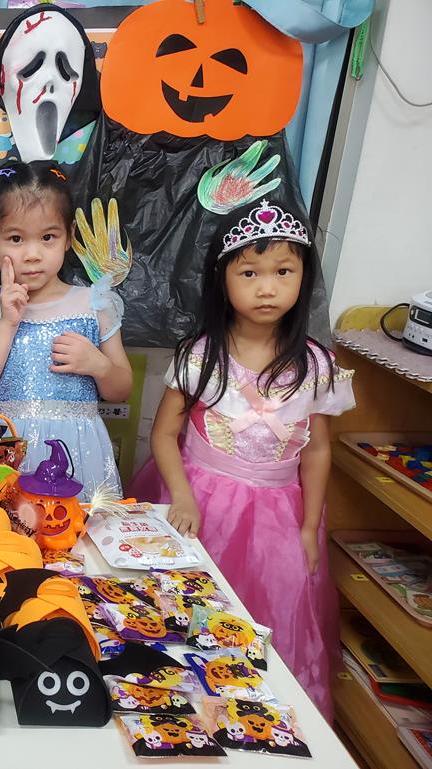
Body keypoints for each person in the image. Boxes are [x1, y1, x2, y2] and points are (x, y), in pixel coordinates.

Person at [132, 198, 355, 720]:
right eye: (250, 273)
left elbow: (318, 449)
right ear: (222, 279)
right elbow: (164, 434)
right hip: (201, 505)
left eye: (283, 272)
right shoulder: (199, 355)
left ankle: (255, 716)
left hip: (279, 517)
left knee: (272, 612)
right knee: (190, 610)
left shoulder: (316, 365)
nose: (267, 288)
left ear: (304, 277)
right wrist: (181, 496)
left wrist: (309, 526)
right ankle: (185, 709)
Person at [0, 160, 132, 497]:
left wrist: (99, 366)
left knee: (71, 527)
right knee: (1, 529)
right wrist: (7, 323)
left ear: (69, 237)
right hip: (3, 454)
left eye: (48, 237)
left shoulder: (94, 303)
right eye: (15, 238)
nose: (33, 254)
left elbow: (121, 389)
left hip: (76, 453)